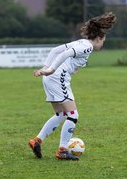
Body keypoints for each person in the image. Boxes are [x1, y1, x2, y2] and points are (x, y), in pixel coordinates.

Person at [29, 12, 117, 161]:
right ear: (99, 38)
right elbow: (64, 54)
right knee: (73, 115)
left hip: (51, 79)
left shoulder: (80, 42)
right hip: (58, 78)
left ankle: (36, 141)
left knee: (61, 114)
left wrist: (46, 69)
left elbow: (54, 51)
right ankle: (62, 150)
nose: (103, 44)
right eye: (103, 41)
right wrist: (50, 70)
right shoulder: (87, 47)